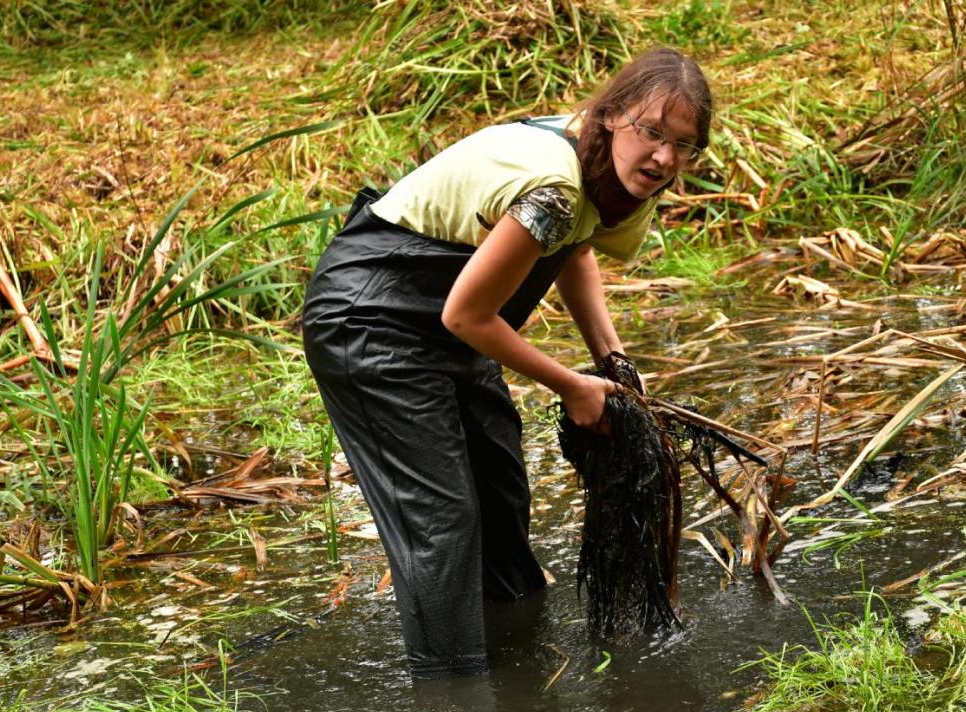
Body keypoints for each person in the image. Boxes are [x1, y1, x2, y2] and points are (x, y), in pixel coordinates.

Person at [303, 48, 713, 679]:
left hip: (448, 325)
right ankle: (455, 708)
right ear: (611, 116)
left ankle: (521, 668)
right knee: (442, 519)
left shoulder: (615, 173)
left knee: (499, 496)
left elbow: (574, 250)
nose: (664, 158)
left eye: (684, 145)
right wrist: (573, 386)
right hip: (373, 321)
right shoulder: (551, 185)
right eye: (652, 132)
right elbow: (467, 315)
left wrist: (612, 361)